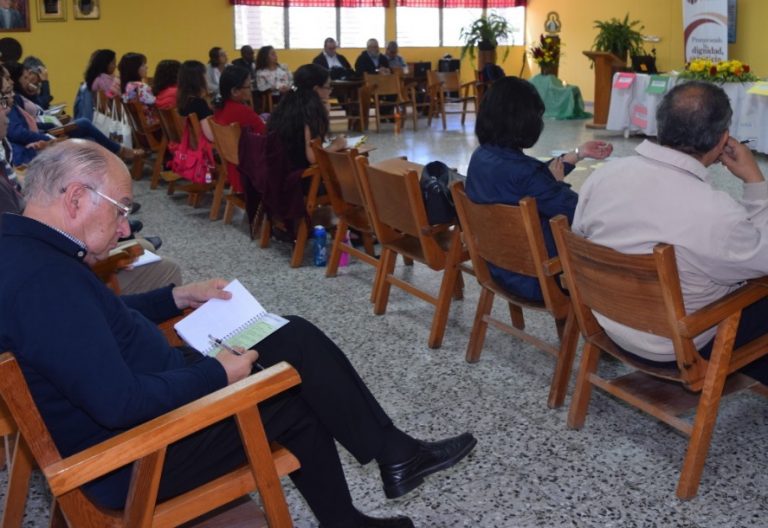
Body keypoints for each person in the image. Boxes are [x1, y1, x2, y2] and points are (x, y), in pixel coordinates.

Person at [0, 139, 477, 528]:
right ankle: (367, 492)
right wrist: (217, 374)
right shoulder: (45, 281)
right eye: (121, 209)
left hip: (142, 402)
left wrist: (174, 298)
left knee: (289, 334)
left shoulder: (28, 249)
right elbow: (119, 403)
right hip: (132, 458)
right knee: (294, 393)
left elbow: (94, 320)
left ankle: (392, 458)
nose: (126, 226)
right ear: (77, 198)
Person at [573, 80, 768, 384]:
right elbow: (762, 262)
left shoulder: (604, 177)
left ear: (660, 125)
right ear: (723, 139)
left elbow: (579, 238)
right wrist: (755, 182)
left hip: (611, 324)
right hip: (675, 345)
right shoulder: (715, 211)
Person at [465, 76, 612, 302]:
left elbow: (533, 181)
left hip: (497, 266)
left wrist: (577, 154)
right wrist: (559, 183)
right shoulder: (527, 173)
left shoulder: (481, 156)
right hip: (540, 278)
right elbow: (579, 213)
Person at [267, 63, 346, 171]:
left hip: (276, 173)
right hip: (299, 179)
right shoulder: (312, 111)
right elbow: (313, 158)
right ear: (316, 89)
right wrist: (336, 145)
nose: (330, 91)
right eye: (328, 86)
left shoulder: (286, 103)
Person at [213, 65, 265, 192]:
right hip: (250, 173)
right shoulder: (242, 111)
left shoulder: (220, 109)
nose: (251, 89)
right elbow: (265, 132)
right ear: (235, 91)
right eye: (248, 86)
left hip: (233, 168)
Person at [177, 59, 214, 140]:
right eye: (205, 74)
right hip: (205, 147)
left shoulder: (182, 100)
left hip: (192, 144)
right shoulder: (199, 103)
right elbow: (211, 136)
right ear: (198, 79)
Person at [119, 52, 158, 125]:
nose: (146, 67)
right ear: (134, 69)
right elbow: (157, 104)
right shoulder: (141, 87)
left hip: (137, 125)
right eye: (143, 65)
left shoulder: (128, 85)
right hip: (151, 125)